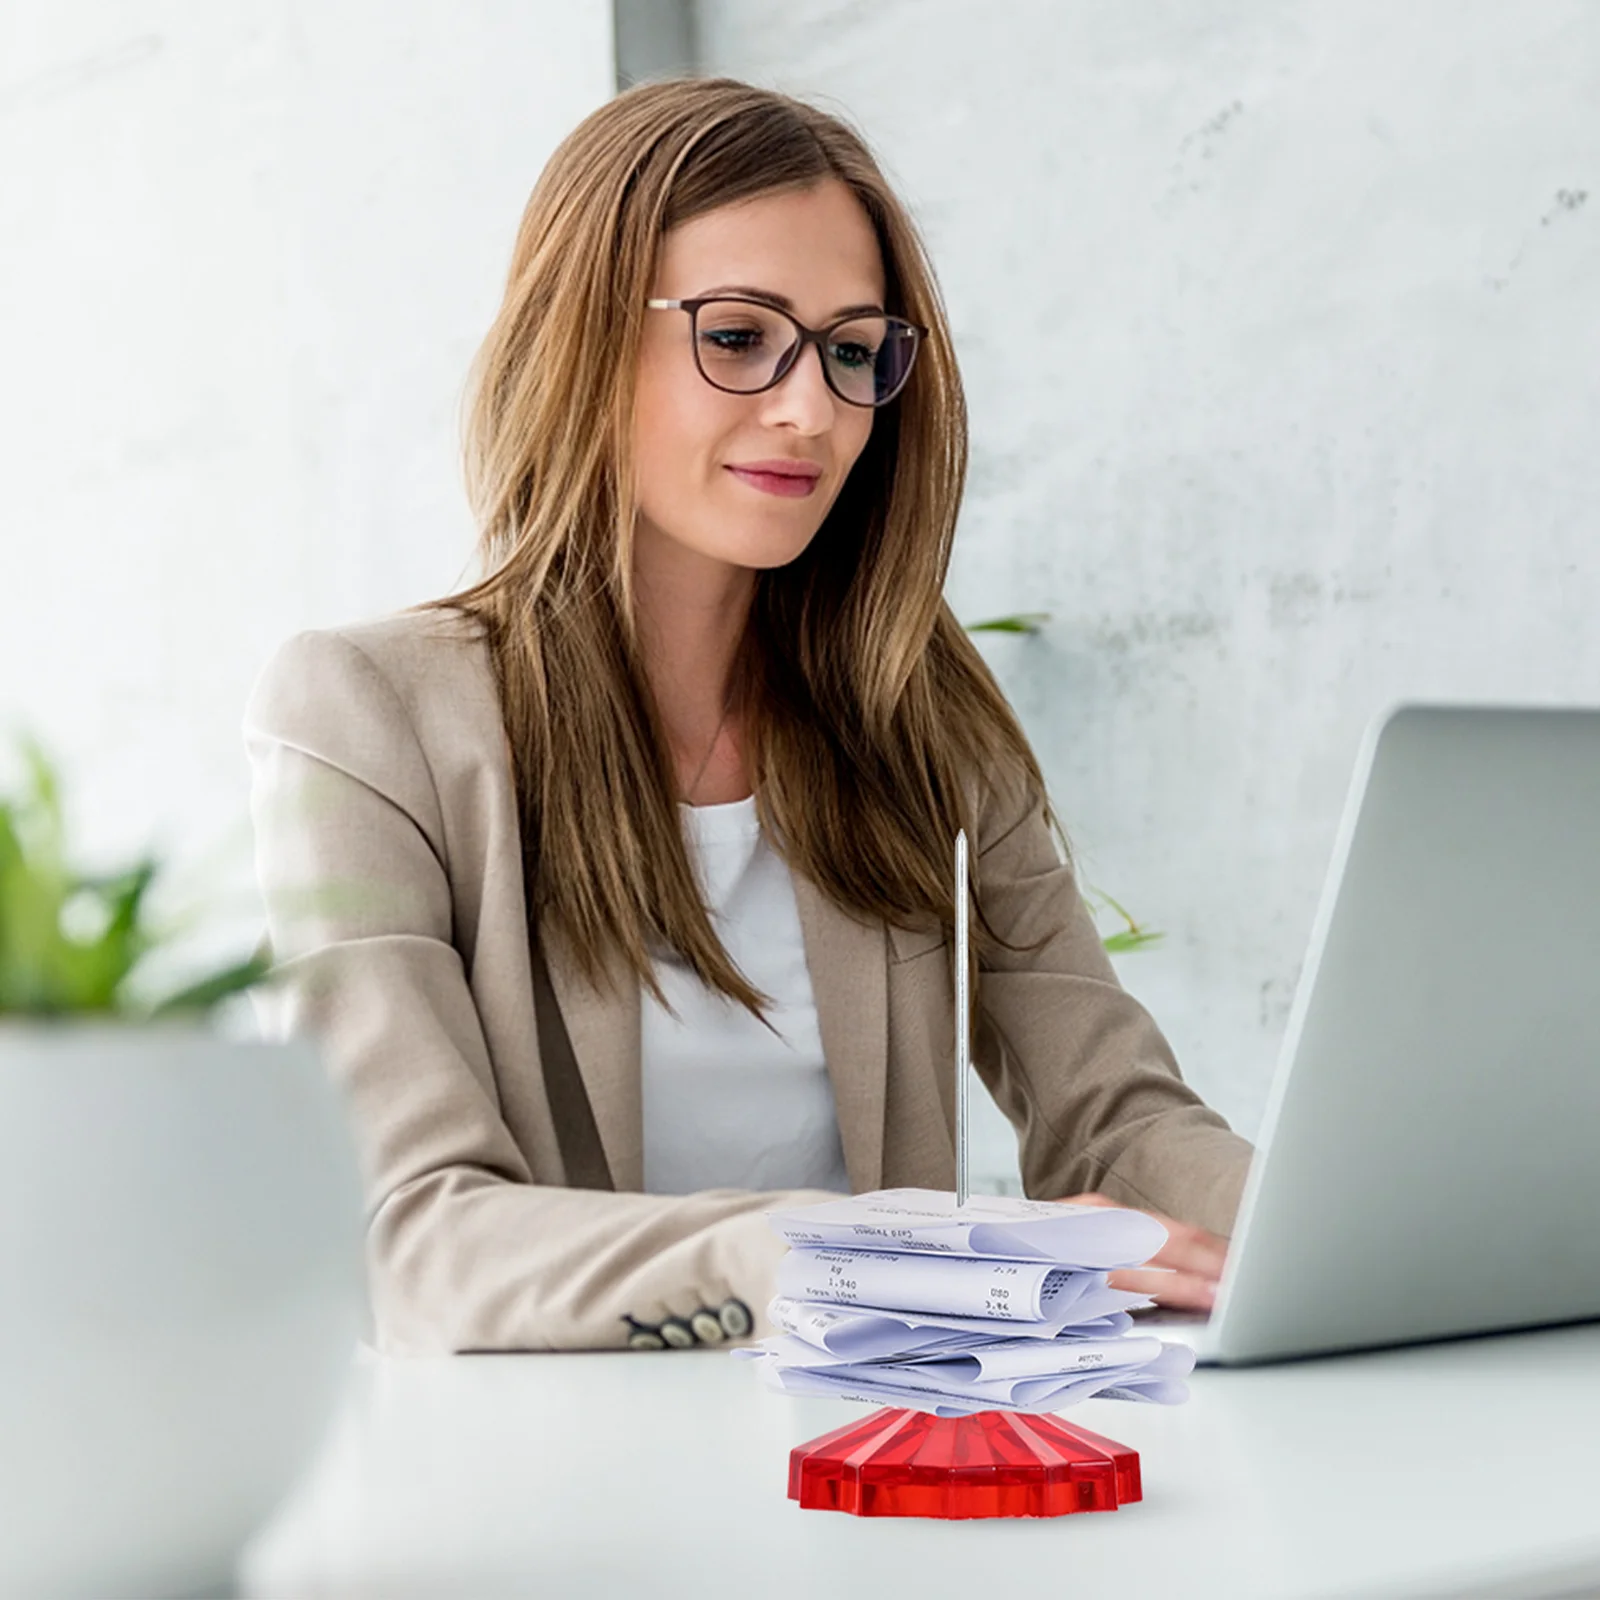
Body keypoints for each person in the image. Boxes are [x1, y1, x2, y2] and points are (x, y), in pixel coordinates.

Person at [244, 77, 1253, 1357]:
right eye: (736, 336)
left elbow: (1117, 1120)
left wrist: (1319, 1226)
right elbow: (413, 1239)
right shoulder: (367, 715)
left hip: (882, 1451)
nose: (810, 409)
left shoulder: (914, 710)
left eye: (848, 348)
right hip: (560, 1497)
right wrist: (847, 1255)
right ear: (581, 335)